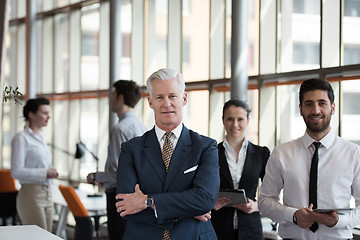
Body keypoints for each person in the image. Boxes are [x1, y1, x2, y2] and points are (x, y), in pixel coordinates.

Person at [115, 68, 220, 239]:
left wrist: (148, 202)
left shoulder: (206, 147)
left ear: (184, 98)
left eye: (172, 96)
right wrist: (188, 210)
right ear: (150, 102)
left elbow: (205, 200)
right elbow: (125, 206)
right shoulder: (131, 149)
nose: (166, 103)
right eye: (159, 97)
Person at [258, 78, 360, 239]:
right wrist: (293, 215)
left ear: (333, 108)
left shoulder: (353, 153)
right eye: (309, 104)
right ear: (300, 109)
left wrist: (338, 220)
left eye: (322, 103)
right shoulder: (282, 152)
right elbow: (264, 201)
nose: (316, 110)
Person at [86, 80, 146, 240]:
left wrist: (95, 177)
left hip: (120, 196)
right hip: (138, 195)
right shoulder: (141, 127)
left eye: (112, 95)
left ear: (120, 97)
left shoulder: (120, 129)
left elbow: (115, 172)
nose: (110, 99)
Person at [211, 99, 270, 240]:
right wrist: (211, 203)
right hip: (218, 229)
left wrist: (256, 206)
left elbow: (272, 191)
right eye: (230, 119)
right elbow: (200, 188)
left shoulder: (261, 154)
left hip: (251, 230)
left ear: (248, 121)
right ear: (223, 120)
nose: (235, 124)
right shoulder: (211, 152)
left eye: (240, 119)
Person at [11, 97, 58, 232]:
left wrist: (48, 171)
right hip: (31, 194)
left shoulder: (42, 138)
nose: (48, 117)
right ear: (31, 114)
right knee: (38, 235)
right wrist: (45, 173)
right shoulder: (21, 138)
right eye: (44, 113)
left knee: (48, 234)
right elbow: (16, 171)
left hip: (47, 193)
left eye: (49, 113)